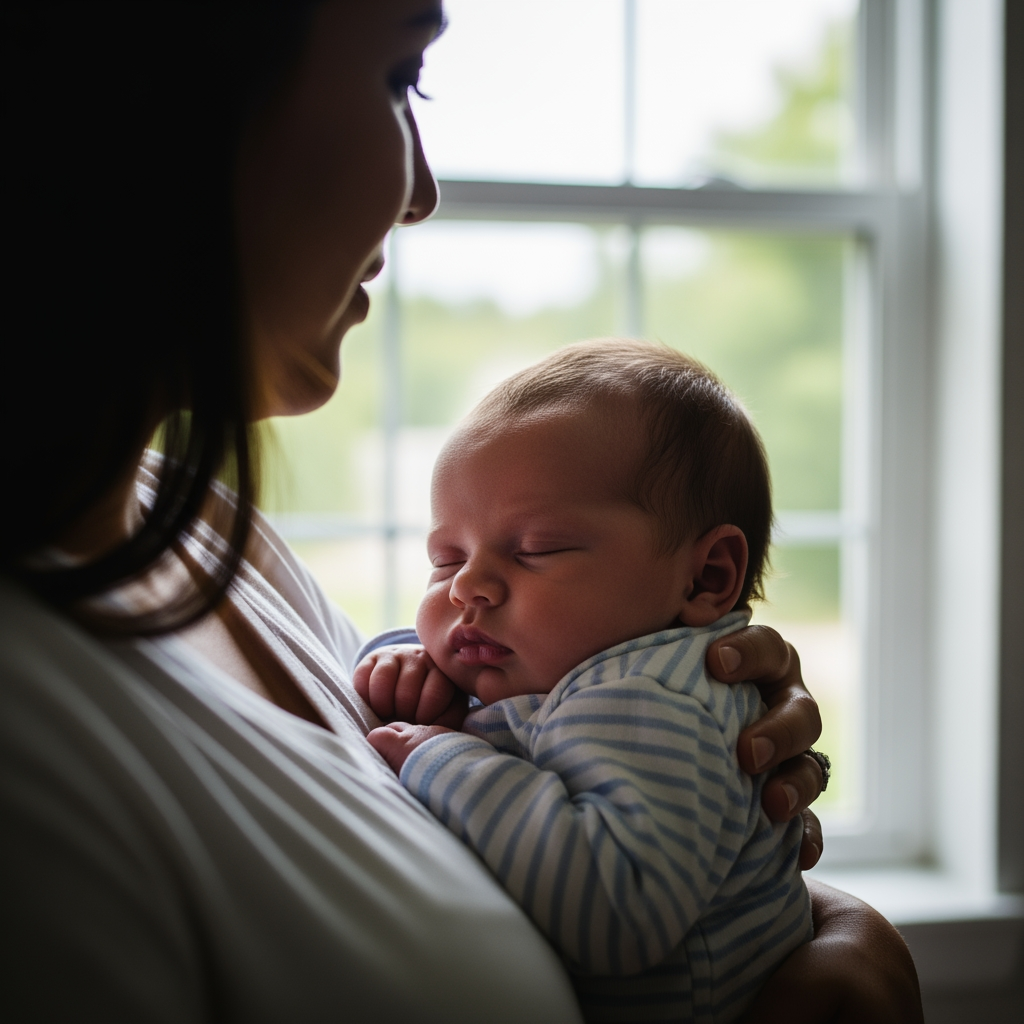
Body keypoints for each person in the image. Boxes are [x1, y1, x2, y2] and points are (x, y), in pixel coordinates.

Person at [0, 3, 922, 1022]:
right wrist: (845, 961)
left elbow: (459, 859)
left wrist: (835, 929)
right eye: (403, 79)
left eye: (536, 548)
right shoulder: (34, 744)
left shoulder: (220, 537)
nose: (422, 194)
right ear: (171, 104)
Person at [353, 339, 814, 1022]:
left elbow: (620, 906)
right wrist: (417, 662)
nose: (467, 590)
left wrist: (440, 757)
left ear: (707, 575)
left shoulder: (646, 696)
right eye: (445, 561)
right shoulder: (572, 661)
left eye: (536, 549)